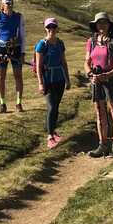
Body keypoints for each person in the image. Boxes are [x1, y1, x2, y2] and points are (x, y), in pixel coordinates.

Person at [85, 11, 113, 158]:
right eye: (99, 23)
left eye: (104, 22)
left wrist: (107, 75)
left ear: (109, 25)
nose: (102, 25)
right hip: (96, 80)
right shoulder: (91, 41)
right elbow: (87, 62)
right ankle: (102, 144)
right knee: (99, 112)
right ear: (95, 25)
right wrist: (91, 74)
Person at [35, 18, 70, 149]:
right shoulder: (42, 45)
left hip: (59, 79)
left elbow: (64, 62)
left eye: (53, 27)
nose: (51, 29)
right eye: (49, 27)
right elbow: (38, 66)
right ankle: (50, 136)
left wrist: (67, 79)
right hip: (47, 80)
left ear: (57, 28)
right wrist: (40, 83)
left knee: (56, 106)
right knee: (52, 106)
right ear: (45, 28)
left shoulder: (60, 43)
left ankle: (53, 131)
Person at [0, 0, 26, 113]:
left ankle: (18, 103)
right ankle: (2, 104)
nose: (10, 5)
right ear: (2, 5)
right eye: (7, 3)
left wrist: (22, 52)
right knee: (1, 76)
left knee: (18, 75)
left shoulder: (18, 17)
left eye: (11, 3)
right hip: (1, 49)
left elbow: (22, 35)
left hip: (15, 48)